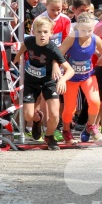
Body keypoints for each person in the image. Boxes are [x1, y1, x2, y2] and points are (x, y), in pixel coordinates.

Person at [59, 13, 102, 144]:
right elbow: (59, 54)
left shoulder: (95, 39)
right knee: (70, 107)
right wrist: (60, 70)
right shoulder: (72, 38)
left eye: (90, 30)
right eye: (83, 30)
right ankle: (66, 130)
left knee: (95, 102)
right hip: (71, 77)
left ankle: (91, 125)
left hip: (88, 75)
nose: (87, 33)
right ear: (77, 28)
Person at [13, 17, 75, 150]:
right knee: (28, 115)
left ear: (51, 33)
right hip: (31, 82)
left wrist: (63, 80)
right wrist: (18, 56)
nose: (42, 35)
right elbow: (24, 45)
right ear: (33, 32)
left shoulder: (52, 49)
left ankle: (49, 136)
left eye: (46, 32)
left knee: (54, 114)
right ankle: (37, 119)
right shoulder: (29, 41)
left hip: (48, 82)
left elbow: (70, 70)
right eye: (39, 32)